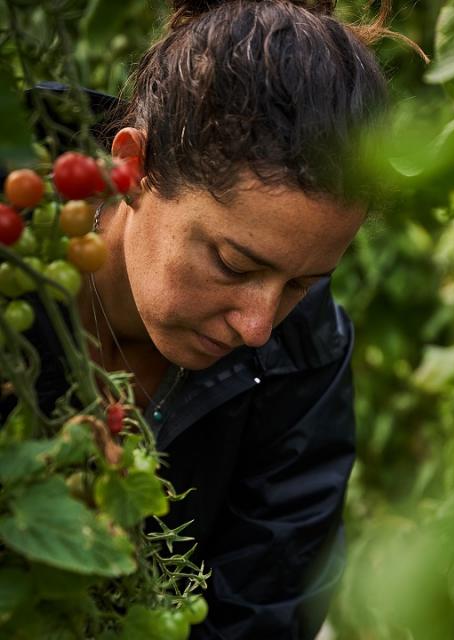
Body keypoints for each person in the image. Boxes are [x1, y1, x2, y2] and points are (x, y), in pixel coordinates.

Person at [21, 0, 392, 637]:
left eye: (302, 283)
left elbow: (266, 609)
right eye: (232, 263)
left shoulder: (304, 354)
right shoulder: (15, 258)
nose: (258, 326)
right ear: (133, 168)